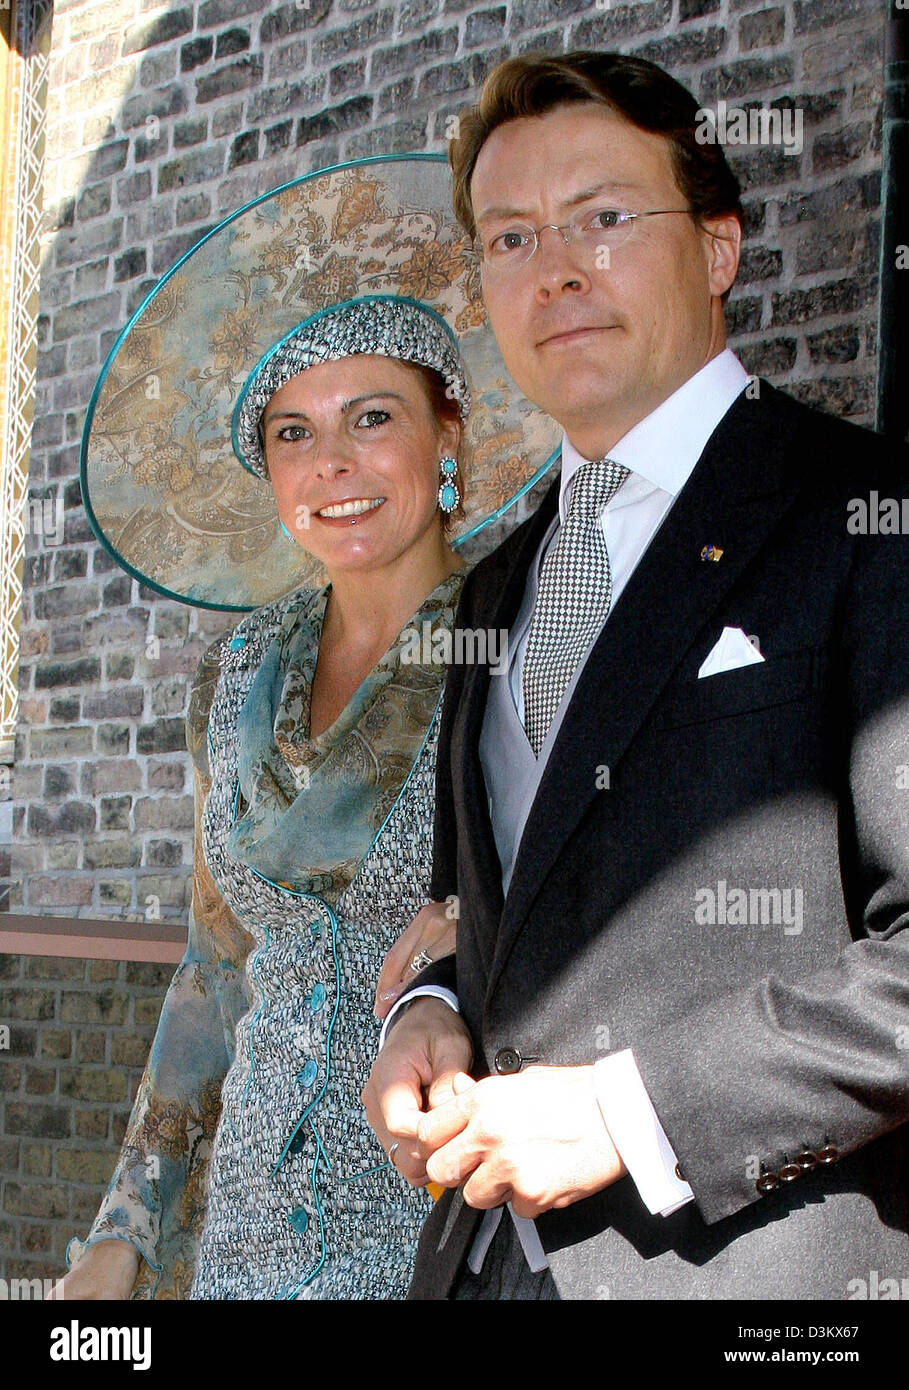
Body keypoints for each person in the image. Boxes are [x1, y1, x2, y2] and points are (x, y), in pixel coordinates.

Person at [363, 51, 909, 1300]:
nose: (554, 269)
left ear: (717, 246)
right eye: (510, 237)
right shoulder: (497, 587)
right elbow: (492, 917)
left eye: (604, 219)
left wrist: (630, 1113)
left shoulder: (871, 517)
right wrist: (429, 1019)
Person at [60, 157, 558, 1299]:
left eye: (371, 417)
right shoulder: (234, 674)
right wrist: (125, 1229)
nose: (331, 463)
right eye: (293, 433)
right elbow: (212, 969)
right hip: (245, 1237)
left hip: (447, 1220)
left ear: (447, 436)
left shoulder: (526, 632)